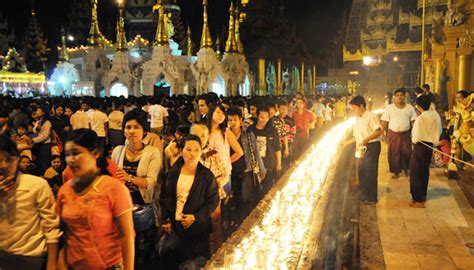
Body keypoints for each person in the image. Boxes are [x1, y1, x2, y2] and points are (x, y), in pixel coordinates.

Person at [57, 129, 135, 270]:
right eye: (67, 155)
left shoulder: (113, 188)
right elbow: (63, 232)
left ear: (95, 153)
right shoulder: (64, 191)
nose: (71, 160)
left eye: (76, 153)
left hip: (108, 265)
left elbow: (127, 236)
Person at [0, 135, 61, 270]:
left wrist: (51, 265)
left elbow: (51, 227)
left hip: (32, 258)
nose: (3, 165)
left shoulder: (36, 185)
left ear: (17, 158)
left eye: (9, 159)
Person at [111, 108, 162, 268]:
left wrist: (130, 178)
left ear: (144, 130)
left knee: (141, 253)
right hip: (121, 209)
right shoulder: (118, 151)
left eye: (136, 127)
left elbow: (151, 182)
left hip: (142, 208)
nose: (131, 131)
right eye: (128, 127)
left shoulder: (152, 152)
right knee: (122, 252)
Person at [160, 135, 219, 269]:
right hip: (175, 226)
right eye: (188, 149)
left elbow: (213, 200)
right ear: (181, 151)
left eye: (196, 150)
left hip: (197, 230)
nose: (192, 153)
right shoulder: (173, 172)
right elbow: (164, 196)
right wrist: (166, 219)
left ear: (201, 151)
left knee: (193, 264)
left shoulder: (206, 175)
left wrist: (196, 217)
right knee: (171, 258)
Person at [227, 107, 266, 224]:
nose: (232, 123)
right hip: (231, 172)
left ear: (241, 120)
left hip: (246, 170)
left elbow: (256, 151)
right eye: (230, 120)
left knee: (246, 197)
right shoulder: (226, 136)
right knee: (237, 197)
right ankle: (239, 221)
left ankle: (248, 222)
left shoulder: (248, 135)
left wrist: (261, 169)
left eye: (235, 120)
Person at [345, 96, 383, 204]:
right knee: (362, 171)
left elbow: (379, 131)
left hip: (371, 146)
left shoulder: (371, 116)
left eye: (355, 108)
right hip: (362, 147)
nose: (354, 111)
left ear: (361, 105)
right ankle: (363, 195)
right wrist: (345, 143)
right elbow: (357, 137)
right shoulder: (358, 119)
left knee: (370, 172)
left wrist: (367, 139)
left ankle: (371, 198)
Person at [409, 95, 442, 208]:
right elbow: (439, 131)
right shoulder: (436, 115)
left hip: (420, 146)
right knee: (424, 170)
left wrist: (414, 141)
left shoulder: (420, 119)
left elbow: (415, 137)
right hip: (429, 146)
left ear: (418, 107)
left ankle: (418, 200)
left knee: (415, 171)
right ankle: (422, 195)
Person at [206, 104, 244, 196]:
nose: (221, 115)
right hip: (207, 173)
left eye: (223, 113)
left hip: (223, 174)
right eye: (218, 112)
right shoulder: (204, 130)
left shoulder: (226, 132)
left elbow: (239, 152)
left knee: (223, 200)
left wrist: (226, 162)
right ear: (211, 113)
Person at [381, 88, 417, 179]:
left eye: (401, 95)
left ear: (404, 96)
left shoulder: (409, 108)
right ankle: (395, 172)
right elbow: (384, 122)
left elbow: (413, 122)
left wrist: (416, 134)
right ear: (394, 97)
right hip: (393, 134)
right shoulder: (390, 108)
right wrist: (383, 135)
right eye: (397, 95)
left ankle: (407, 170)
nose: (399, 97)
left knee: (407, 152)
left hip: (406, 134)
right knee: (394, 153)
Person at [248, 106, 282, 197]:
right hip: (255, 166)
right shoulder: (251, 130)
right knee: (256, 191)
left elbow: (277, 148)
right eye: (261, 117)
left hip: (269, 164)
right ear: (257, 116)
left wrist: (279, 163)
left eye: (266, 117)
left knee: (268, 189)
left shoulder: (272, 130)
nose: (264, 119)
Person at [31, 105, 53, 174]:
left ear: (43, 112)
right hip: (39, 144)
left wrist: (33, 140)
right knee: (39, 163)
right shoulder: (38, 121)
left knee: (44, 163)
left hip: (46, 145)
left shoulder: (47, 122)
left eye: (38, 110)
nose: (36, 111)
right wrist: (37, 128)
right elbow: (34, 131)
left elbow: (45, 136)